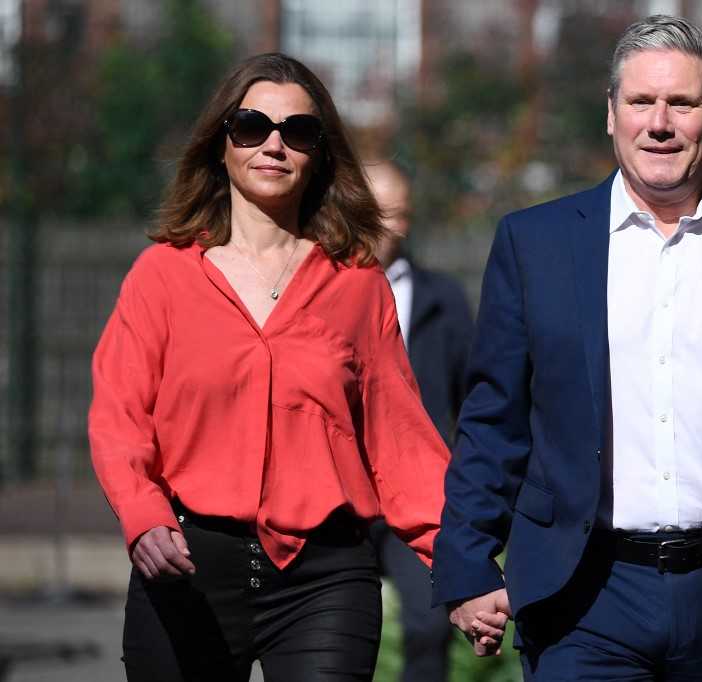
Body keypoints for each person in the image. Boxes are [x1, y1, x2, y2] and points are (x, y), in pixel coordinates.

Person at [432, 14, 702, 681]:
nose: (659, 123)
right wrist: (465, 560)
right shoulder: (534, 245)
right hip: (583, 597)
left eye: (682, 103)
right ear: (611, 114)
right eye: (641, 101)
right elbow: (494, 421)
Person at [88, 53, 449, 682]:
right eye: (252, 126)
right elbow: (119, 416)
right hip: (186, 566)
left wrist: (460, 561)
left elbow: (402, 441)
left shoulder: (358, 284)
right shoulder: (162, 277)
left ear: (320, 154)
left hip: (327, 579)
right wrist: (143, 518)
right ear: (221, 144)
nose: (274, 144)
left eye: (299, 132)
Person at [364, 160, 473, 682]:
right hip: (342, 496)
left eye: (399, 214)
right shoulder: (313, 291)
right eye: (377, 212)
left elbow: (472, 400)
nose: (388, 226)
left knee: (429, 629)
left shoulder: (442, 299)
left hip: (417, 497)